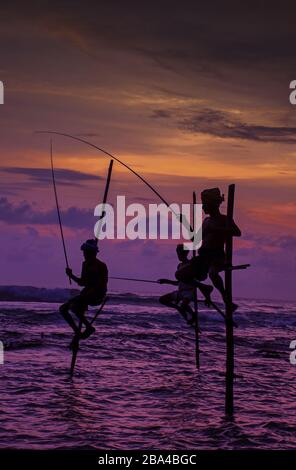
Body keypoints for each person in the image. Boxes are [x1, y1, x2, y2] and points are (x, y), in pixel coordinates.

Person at [176, 187, 241, 309]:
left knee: (213, 273)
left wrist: (216, 230)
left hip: (217, 256)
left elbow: (237, 232)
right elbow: (195, 240)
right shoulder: (206, 221)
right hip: (203, 257)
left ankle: (226, 299)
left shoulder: (224, 219)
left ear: (213, 205)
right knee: (180, 274)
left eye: (205, 204)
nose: (203, 207)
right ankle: (204, 287)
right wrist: (184, 223)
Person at [59, 239, 108, 345]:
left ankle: (88, 327)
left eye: (86, 252)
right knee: (63, 309)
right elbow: (82, 282)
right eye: (84, 252)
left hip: (96, 296)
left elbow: (102, 286)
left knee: (74, 307)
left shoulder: (101, 266)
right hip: (85, 295)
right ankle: (77, 332)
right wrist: (71, 275)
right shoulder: (85, 264)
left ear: (93, 253)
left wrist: (87, 293)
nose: (84, 255)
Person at [158, 244, 213, 325]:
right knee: (162, 300)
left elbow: (197, 283)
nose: (178, 255)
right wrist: (165, 281)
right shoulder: (179, 266)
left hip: (189, 292)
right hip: (180, 291)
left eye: (180, 253)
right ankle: (178, 308)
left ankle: (193, 316)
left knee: (183, 306)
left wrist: (207, 297)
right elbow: (178, 283)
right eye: (178, 253)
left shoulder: (192, 265)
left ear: (185, 253)